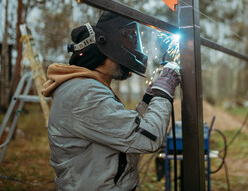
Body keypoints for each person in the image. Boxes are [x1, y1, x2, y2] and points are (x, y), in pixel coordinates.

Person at [41, 11, 180, 191]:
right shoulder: (85, 94)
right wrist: (163, 91)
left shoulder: (84, 87)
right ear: (103, 49)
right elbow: (149, 138)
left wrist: (150, 96)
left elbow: (127, 130)